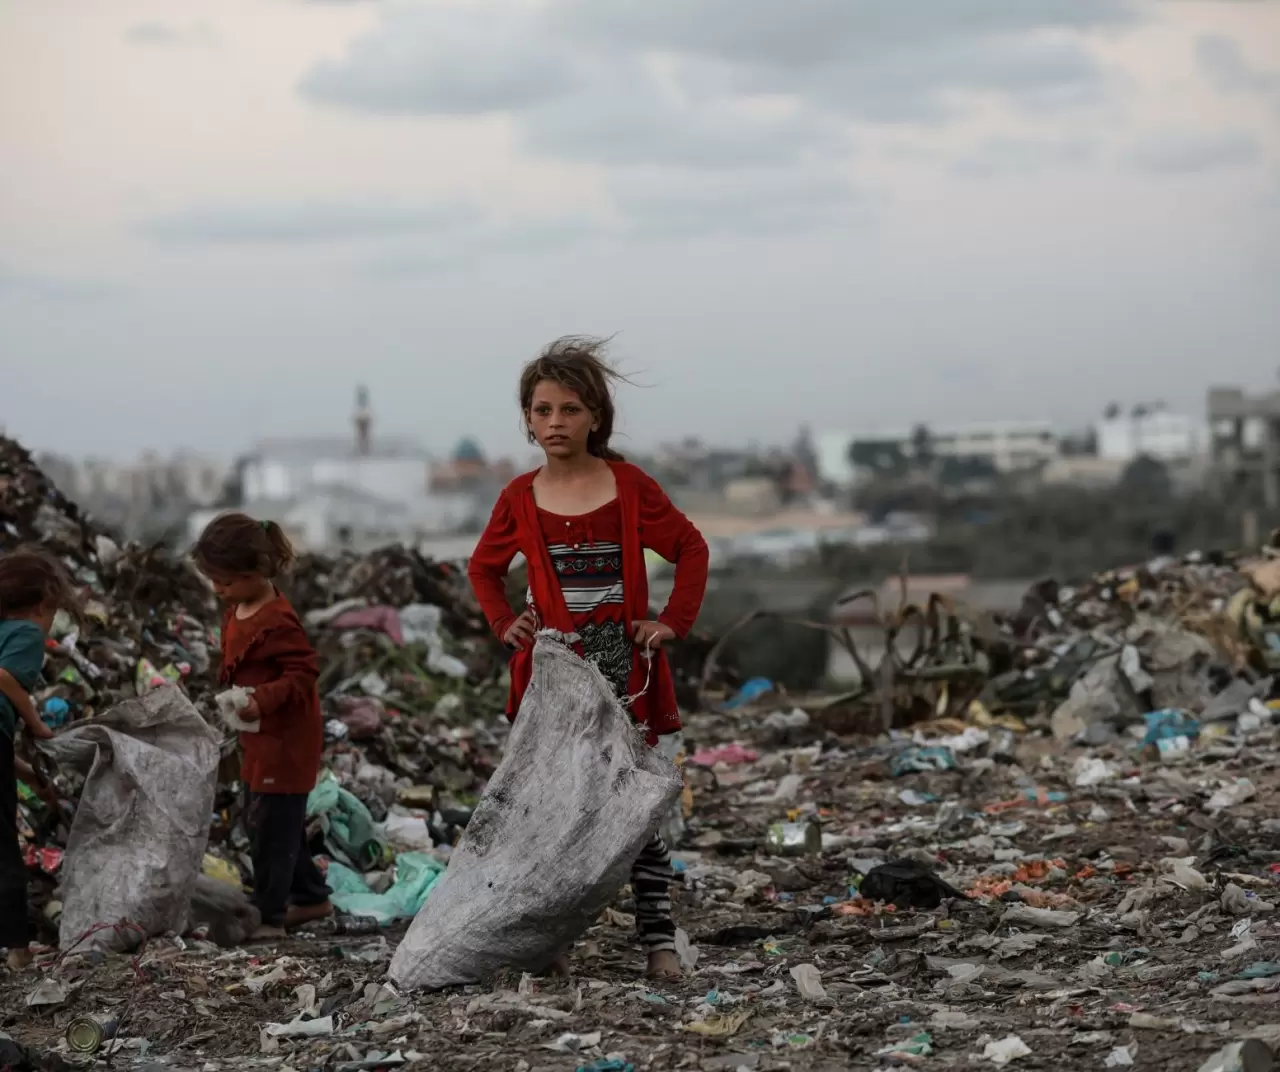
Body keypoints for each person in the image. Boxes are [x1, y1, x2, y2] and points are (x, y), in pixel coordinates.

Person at [467, 336, 710, 981]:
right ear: (527, 420)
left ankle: (658, 940)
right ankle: (549, 943)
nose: (555, 423)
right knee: (550, 810)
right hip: (551, 681)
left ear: (595, 416)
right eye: (542, 410)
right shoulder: (519, 497)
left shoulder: (628, 487)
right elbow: (483, 569)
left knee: (635, 810)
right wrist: (505, 623)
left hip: (626, 677)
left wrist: (671, 622)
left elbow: (690, 548)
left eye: (570, 409)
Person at [193, 514, 331, 941]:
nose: (217, 590)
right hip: (259, 737)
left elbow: (303, 673)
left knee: (271, 828)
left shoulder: (277, 621)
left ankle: (270, 917)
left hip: (286, 741)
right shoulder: (240, 608)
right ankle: (311, 898)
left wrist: (261, 700)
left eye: (224, 582)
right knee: (269, 821)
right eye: (213, 581)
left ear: (255, 572)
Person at [0, 548, 78, 971]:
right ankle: (17, 950)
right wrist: (36, 723)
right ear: (43, 604)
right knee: (3, 849)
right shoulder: (27, 633)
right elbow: (3, 678)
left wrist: (29, 774)